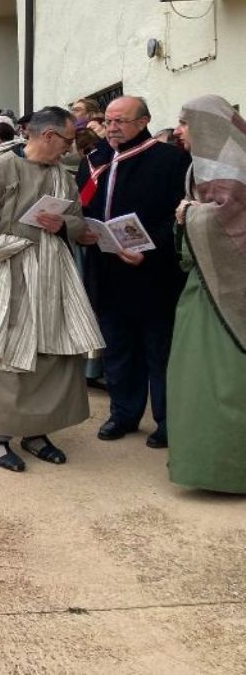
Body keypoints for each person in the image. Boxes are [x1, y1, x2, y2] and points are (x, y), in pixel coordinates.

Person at [0, 107, 104, 473]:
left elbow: (78, 221)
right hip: (5, 272)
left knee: (50, 353)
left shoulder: (60, 174)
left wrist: (62, 223)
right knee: (4, 354)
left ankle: (36, 433)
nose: (70, 149)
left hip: (50, 274)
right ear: (47, 136)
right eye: (66, 141)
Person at [77, 96, 188, 449]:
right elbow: (82, 206)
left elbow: (179, 216)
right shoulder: (93, 161)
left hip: (153, 273)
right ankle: (123, 414)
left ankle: (167, 420)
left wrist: (150, 248)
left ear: (143, 122)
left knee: (159, 350)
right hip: (107, 271)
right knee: (118, 349)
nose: (112, 126)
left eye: (121, 120)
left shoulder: (170, 159)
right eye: (108, 120)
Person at [168, 96, 246, 493]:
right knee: (197, 380)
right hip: (204, 285)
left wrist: (188, 213)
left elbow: (229, 216)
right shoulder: (204, 166)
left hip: (230, 292)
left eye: (185, 122)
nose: (179, 129)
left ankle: (227, 468)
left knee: (225, 381)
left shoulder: (234, 166)